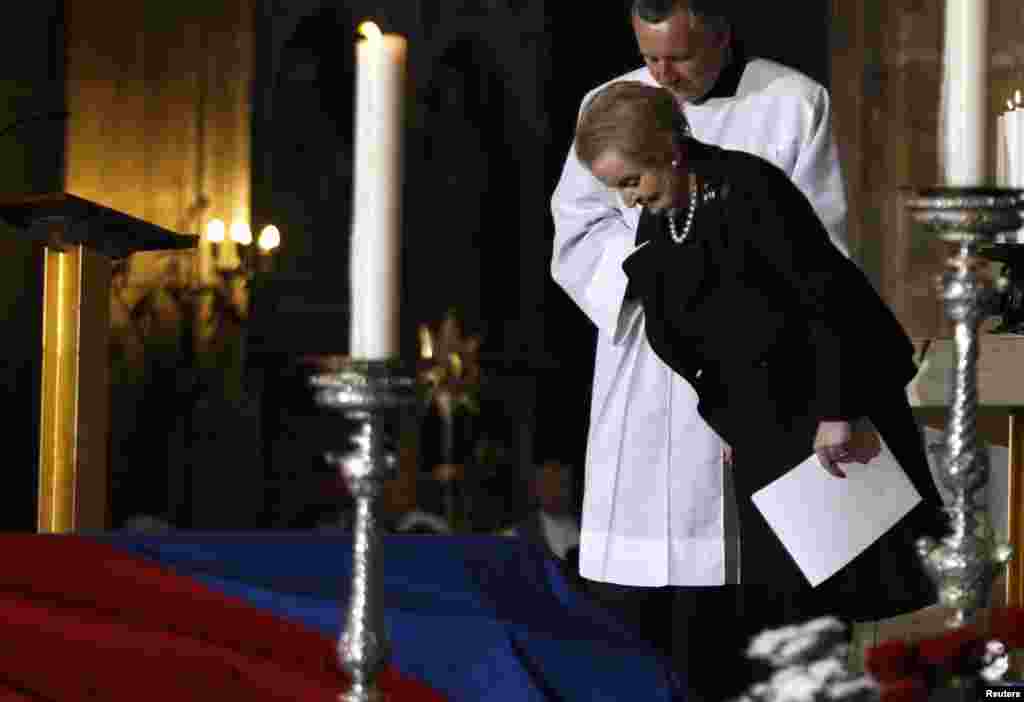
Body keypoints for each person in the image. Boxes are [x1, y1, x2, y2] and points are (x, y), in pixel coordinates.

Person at [569, 79, 947, 700]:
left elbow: (823, 302)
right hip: (765, 427)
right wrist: (729, 418)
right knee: (782, 604)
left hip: (828, 409)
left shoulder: (751, 189)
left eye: (632, 180)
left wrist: (835, 412)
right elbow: (701, 341)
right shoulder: (666, 218)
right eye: (617, 188)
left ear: (668, 150)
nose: (630, 199)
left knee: (848, 591)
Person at [550, 1, 850, 698]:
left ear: (720, 30)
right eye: (648, 55)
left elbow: (822, 258)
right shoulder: (612, 103)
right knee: (639, 643)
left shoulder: (792, 102)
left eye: (678, 57)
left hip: (758, 385)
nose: (661, 74)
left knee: (744, 641)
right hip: (646, 384)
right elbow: (575, 236)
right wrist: (658, 250)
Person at [501, 460, 581, 561]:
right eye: (549, 484)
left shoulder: (587, 529)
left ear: (571, 487)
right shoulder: (514, 537)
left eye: (562, 484)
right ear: (537, 489)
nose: (555, 491)